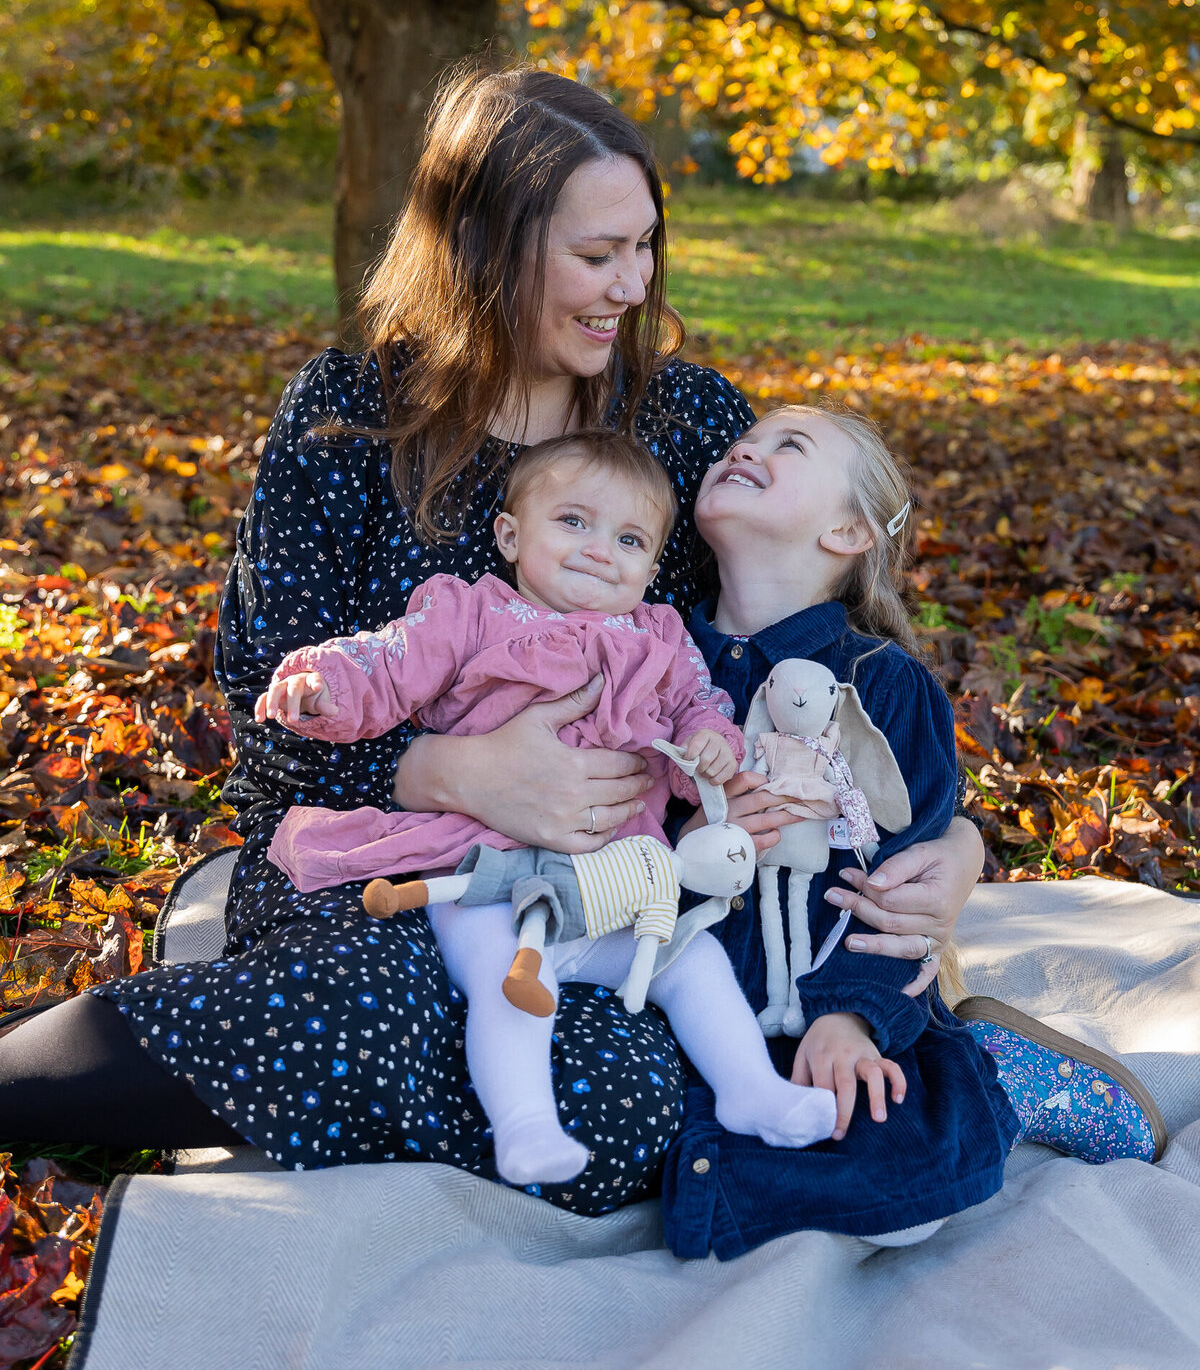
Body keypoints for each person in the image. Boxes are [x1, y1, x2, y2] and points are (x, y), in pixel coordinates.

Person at [0, 63, 983, 1214]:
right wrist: (451, 766)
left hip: (609, 889)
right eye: (595, 253)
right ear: (485, 244)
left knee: (626, 1108)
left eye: (645, 246)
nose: (632, 285)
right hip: (384, 864)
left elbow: (827, 656)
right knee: (384, 996)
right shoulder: (349, 423)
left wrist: (957, 843)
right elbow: (263, 725)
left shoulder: (684, 421)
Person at [259, 429, 836, 1187]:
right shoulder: (469, 615)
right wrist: (325, 684)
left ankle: (752, 1092)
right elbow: (387, 662)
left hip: (609, 891)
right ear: (510, 534)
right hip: (490, 875)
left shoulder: (659, 639)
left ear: (652, 566)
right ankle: (525, 1125)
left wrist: (710, 750)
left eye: (629, 538)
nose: (601, 549)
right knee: (507, 973)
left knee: (689, 958)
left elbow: (703, 706)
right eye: (573, 522)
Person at [659, 404, 1165, 1260]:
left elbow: (893, 891)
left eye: (791, 445)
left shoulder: (882, 686)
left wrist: (849, 1020)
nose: (746, 446)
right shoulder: (656, 656)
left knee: (912, 1183)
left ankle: (1000, 1079)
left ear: (848, 529)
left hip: (832, 991)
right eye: (748, 440)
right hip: (688, 990)